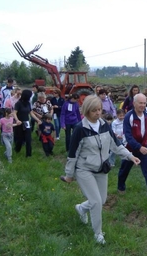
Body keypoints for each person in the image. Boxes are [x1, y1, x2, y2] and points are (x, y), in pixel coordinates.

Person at [60, 95, 141, 245]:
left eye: (99, 110)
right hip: (84, 169)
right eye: (94, 111)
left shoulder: (104, 125)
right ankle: (98, 233)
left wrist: (130, 156)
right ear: (86, 111)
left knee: (101, 200)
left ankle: (81, 208)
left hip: (101, 168)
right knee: (96, 202)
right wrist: (69, 175)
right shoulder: (80, 129)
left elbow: (116, 145)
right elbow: (73, 154)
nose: (98, 113)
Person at [117, 93, 147, 203]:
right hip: (130, 149)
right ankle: (121, 187)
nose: (143, 105)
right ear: (134, 103)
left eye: (144, 103)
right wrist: (138, 147)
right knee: (124, 169)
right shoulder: (129, 117)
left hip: (144, 147)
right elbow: (128, 136)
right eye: (140, 103)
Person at [13, 89, 40, 158]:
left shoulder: (28, 103)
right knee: (20, 139)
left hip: (26, 122)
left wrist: (37, 120)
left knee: (28, 138)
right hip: (19, 123)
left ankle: (28, 154)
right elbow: (14, 113)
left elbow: (31, 113)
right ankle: (17, 149)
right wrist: (17, 120)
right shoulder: (18, 103)